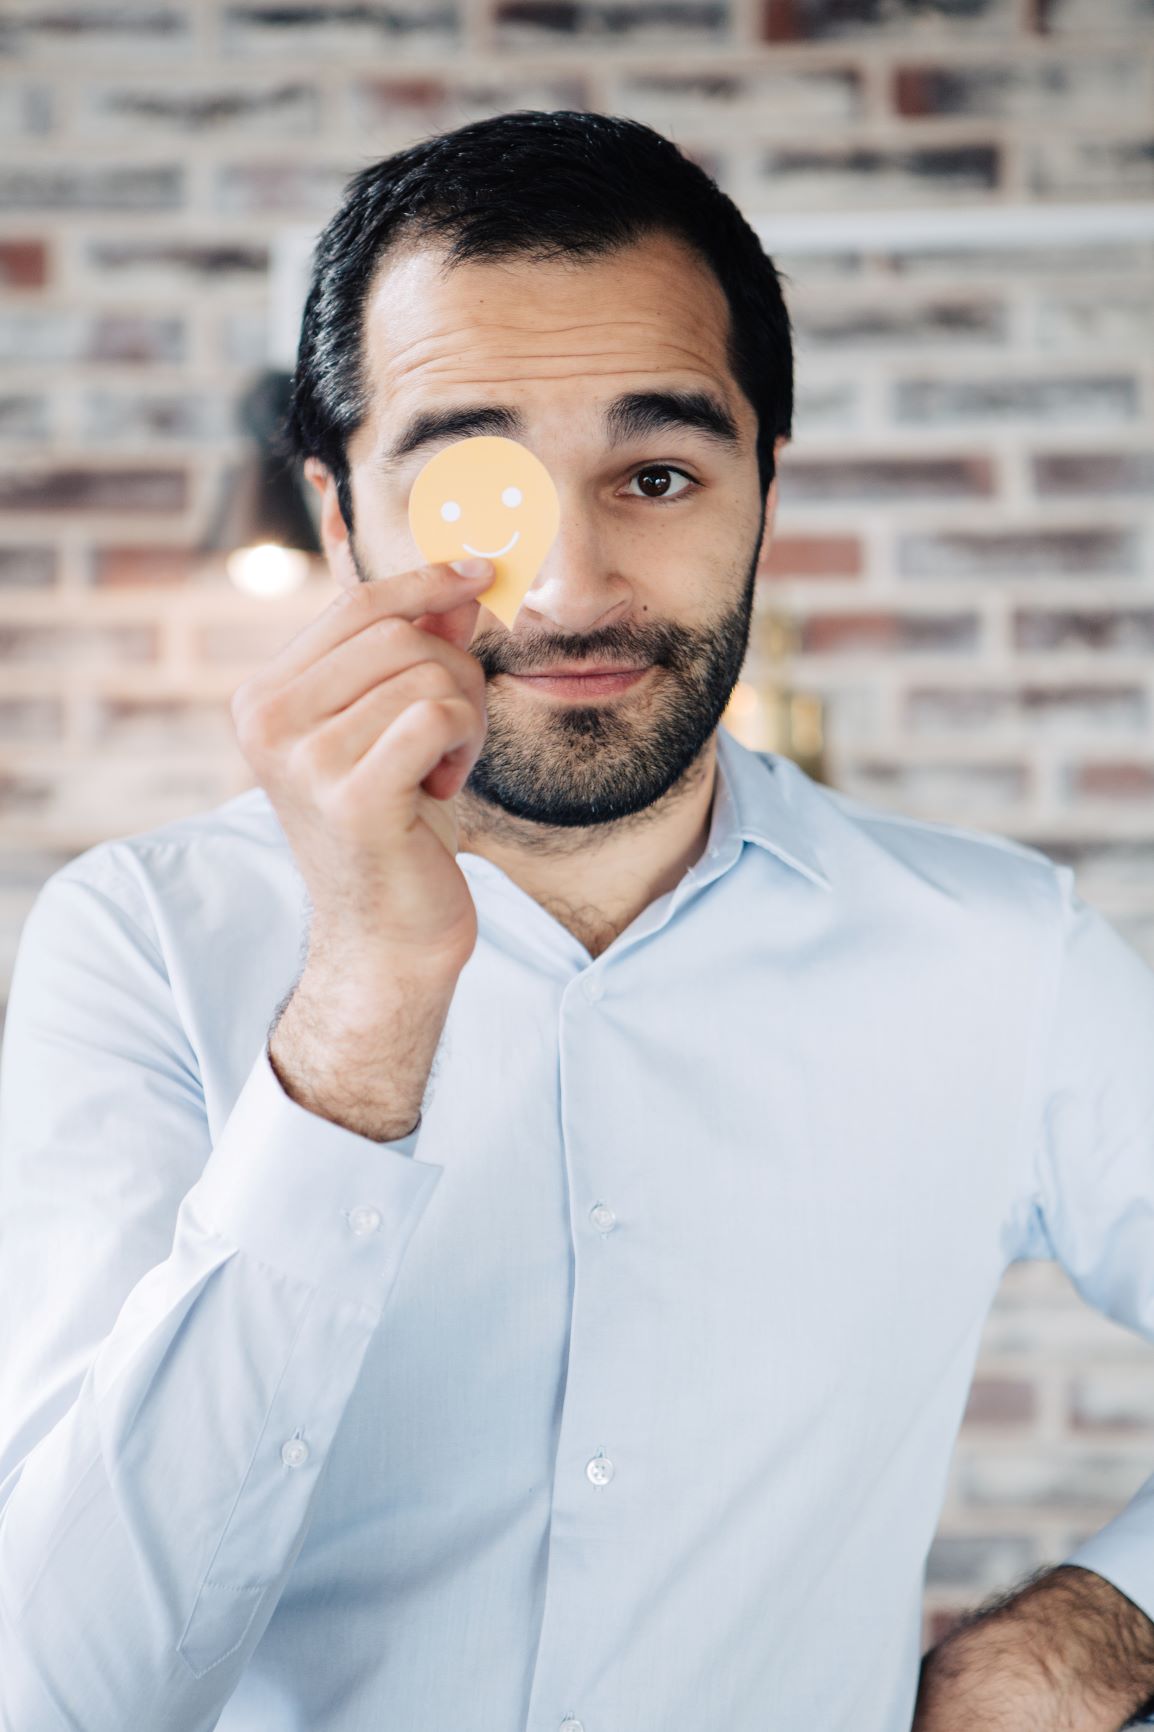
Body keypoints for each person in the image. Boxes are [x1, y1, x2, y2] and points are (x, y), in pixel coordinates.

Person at [2, 110, 1154, 1732]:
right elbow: (59, 1693)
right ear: (339, 517)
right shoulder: (141, 942)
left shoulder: (1003, 954)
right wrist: (363, 1007)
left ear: (763, 492)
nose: (565, 587)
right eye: (472, 484)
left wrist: (1085, 1636)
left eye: (658, 474)